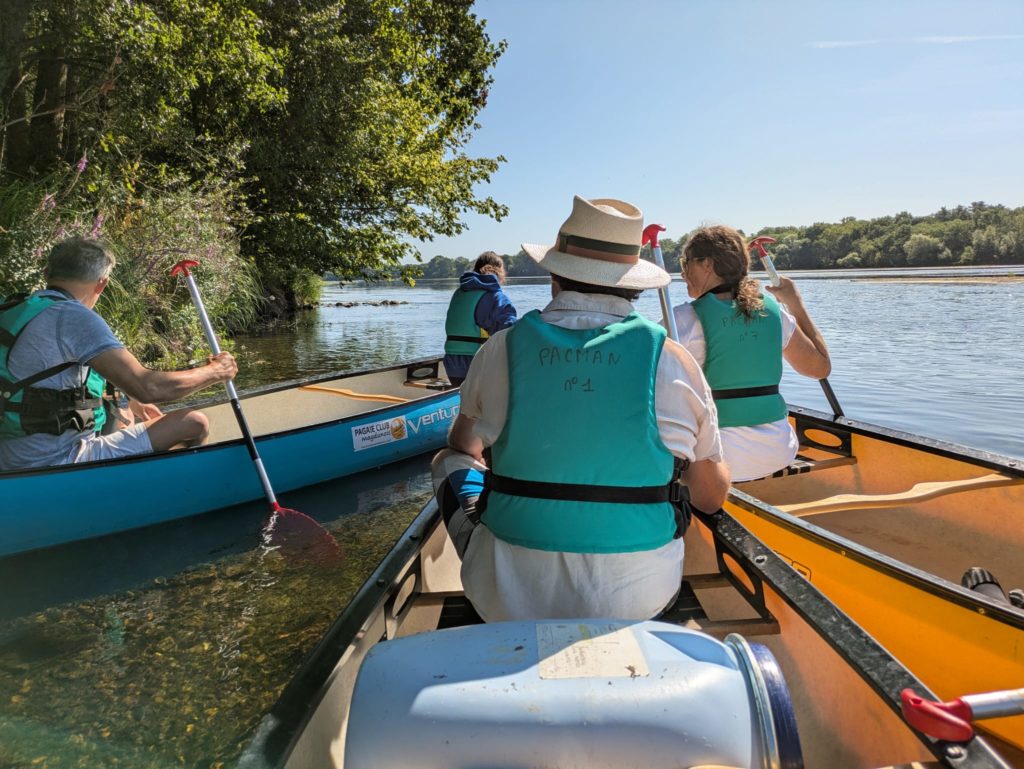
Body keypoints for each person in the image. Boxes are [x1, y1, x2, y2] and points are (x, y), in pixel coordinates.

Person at [432, 196, 730, 622]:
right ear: (633, 282)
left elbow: (464, 443)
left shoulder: (500, 349)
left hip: (506, 599)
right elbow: (710, 497)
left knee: (447, 460)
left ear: (556, 274)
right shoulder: (673, 360)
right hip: (641, 599)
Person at [0, 237, 238, 471]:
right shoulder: (73, 316)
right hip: (56, 461)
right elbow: (149, 388)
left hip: (9, 457)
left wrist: (131, 401)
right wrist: (217, 371)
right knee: (194, 423)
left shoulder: (16, 308)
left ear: (46, 273)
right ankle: (179, 492)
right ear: (102, 284)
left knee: (123, 413)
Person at [672, 225, 832, 481]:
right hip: (779, 452)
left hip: (717, 462)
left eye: (686, 262)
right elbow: (819, 368)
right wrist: (795, 303)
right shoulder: (775, 314)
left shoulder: (681, 320)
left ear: (707, 264)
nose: (682, 272)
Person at [442, 251, 517, 386]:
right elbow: (510, 332)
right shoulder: (494, 296)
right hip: (477, 364)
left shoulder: (459, 293)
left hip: (452, 366)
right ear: (500, 272)